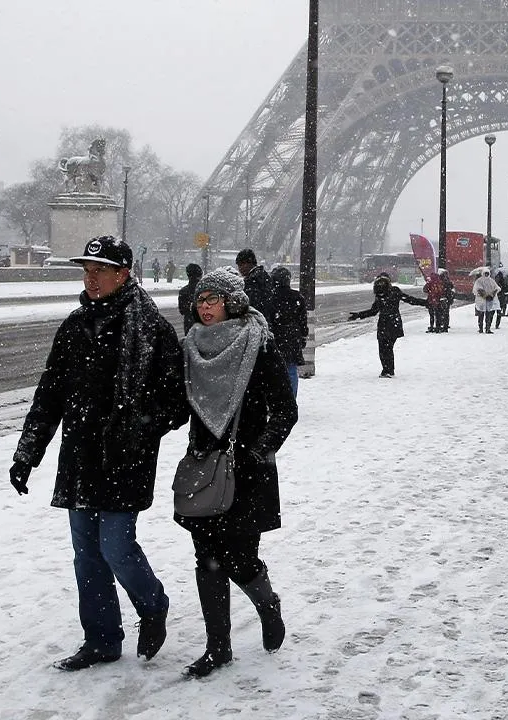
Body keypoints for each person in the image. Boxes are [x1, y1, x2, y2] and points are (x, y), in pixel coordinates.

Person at [8, 235, 188, 671]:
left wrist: (139, 428)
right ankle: (102, 640)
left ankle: (153, 604)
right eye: (87, 271)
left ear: (122, 274)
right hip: (80, 458)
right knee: (86, 554)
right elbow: (49, 395)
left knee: (116, 548)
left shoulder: (151, 329)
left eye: (99, 271)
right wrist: (27, 453)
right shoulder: (74, 326)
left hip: (126, 459)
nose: (90, 279)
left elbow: (177, 402)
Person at [178, 267, 298, 678]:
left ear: (233, 302)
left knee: (241, 558)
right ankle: (218, 647)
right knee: (207, 557)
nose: (205, 307)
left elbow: (285, 409)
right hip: (203, 466)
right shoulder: (191, 346)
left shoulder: (258, 344)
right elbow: (180, 405)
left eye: (213, 299)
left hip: (247, 470)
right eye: (201, 300)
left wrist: (257, 450)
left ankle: (268, 605)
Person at [347, 273, 428, 377]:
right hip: (394, 323)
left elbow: (373, 311)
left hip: (384, 324)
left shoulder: (379, 294)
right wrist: (425, 303)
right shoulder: (395, 291)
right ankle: (389, 370)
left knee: (383, 349)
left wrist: (358, 315)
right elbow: (410, 300)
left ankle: (387, 370)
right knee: (389, 348)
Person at [269, 265, 308, 396]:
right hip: (293, 337)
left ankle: (276, 399)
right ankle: (291, 398)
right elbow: (303, 320)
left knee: (274, 370)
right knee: (291, 369)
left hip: (275, 337)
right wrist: (303, 336)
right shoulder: (297, 297)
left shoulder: (270, 297)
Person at [235, 248, 276, 328]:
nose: (240, 269)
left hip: (255, 324)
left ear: (249, 263)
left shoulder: (251, 281)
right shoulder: (265, 276)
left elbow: (251, 304)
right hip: (267, 323)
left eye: (241, 265)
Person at [177, 263, 204, 335]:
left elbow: (182, 310)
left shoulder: (183, 291)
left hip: (189, 324)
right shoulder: (205, 290)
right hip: (204, 323)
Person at [472, 268, 501, 334]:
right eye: (485, 273)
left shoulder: (491, 281)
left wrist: (491, 295)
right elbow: (478, 289)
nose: (486, 274)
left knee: (487, 315)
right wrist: (486, 295)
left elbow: (496, 288)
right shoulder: (479, 281)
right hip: (482, 301)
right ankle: (481, 328)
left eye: (487, 273)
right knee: (482, 315)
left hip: (489, 300)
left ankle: (487, 328)